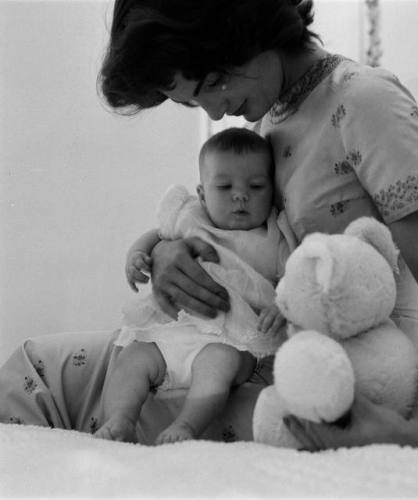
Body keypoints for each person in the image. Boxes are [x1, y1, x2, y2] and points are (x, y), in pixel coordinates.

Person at [98, 0, 418, 451]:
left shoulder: (367, 102)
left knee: (55, 374)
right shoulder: (269, 121)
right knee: (63, 366)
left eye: (216, 83)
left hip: (354, 380)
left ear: (251, 27)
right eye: (192, 102)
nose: (217, 113)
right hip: (269, 357)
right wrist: (169, 251)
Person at [95, 127, 291, 443]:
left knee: (218, 365)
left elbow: (291, 280)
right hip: (172, 329)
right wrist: (137, 255)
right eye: (225, 186)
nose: (240, 195)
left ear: (272, 190)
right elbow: (157, 235)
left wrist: (280, 304)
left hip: (232, 340)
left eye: (255, 186)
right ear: (201, 194)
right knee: (133, 358)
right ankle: (120, 420)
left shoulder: (274, 234)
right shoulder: (189, 215)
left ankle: (186, 426)